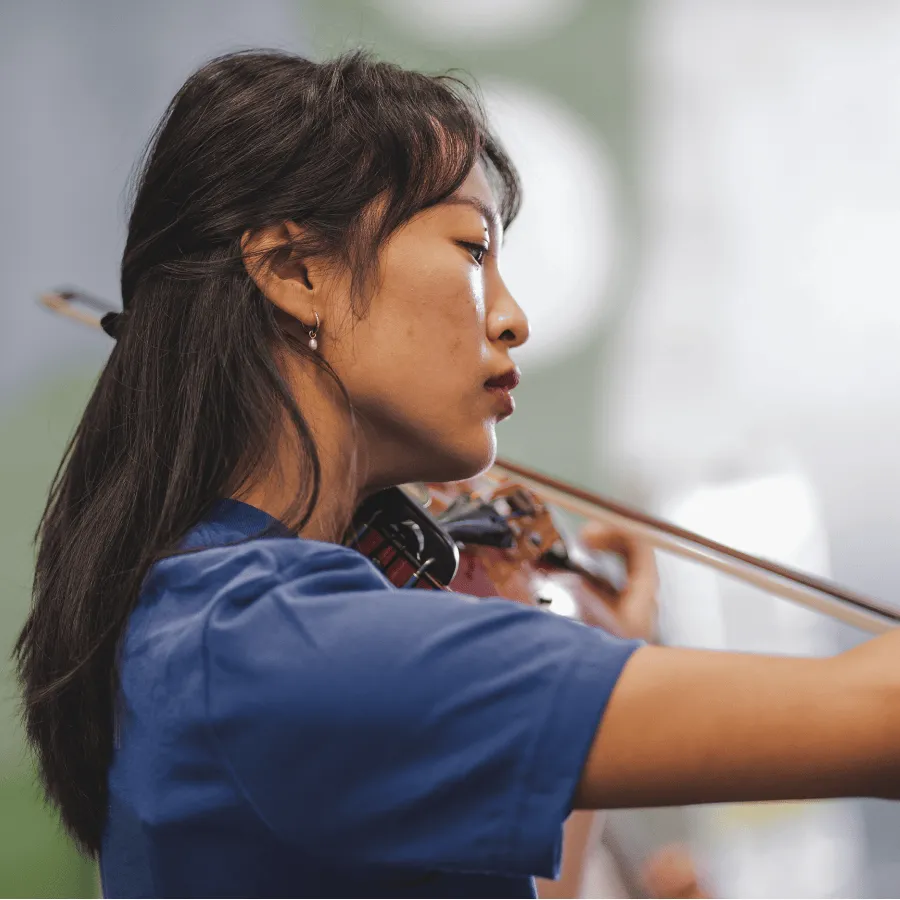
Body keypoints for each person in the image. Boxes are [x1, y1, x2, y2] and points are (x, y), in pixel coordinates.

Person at [14, 50, 900, 899]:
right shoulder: (277, 644)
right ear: (294, 270)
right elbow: (876, 718)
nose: (512, 318)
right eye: (474, 250)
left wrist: (596, 659)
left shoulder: (216, 628)